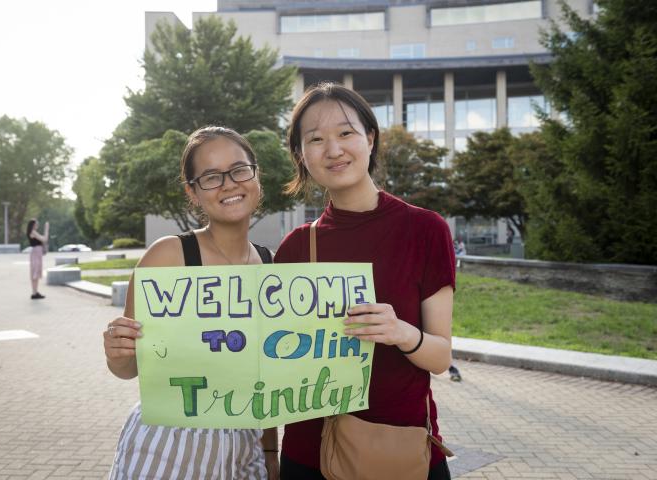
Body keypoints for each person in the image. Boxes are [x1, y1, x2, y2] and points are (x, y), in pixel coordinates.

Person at [275, 83, 455, 480]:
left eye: (345, 133)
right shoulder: (295, 247)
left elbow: (441, 358)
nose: (333, 150)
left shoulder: (425, 230)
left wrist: (401, 332)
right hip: (308, 454)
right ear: (302, 155)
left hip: (398, 449)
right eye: (316, 139)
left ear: (370, 138)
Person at [103, 126, 278, 480]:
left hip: (247, 445)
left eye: (239, 169)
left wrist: (270, 449)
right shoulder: (168, 256)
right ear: (193, 192)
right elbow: (128, 369)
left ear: (256, 177)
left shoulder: (270, 264)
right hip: (171, 441)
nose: (229, 184)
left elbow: (268, 379)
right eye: (211, 177)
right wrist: (116, 352)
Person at [26, 218, 49, 299]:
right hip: (36, 252)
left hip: (36, 252)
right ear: (32, 225)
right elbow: (45, 239)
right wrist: (46, 229)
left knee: (34, 273)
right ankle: (34, 293)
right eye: (36, 224)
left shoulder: (33, 232)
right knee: (35, 273)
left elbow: (43, 240)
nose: (37, 226)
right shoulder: (33, 232)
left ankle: (35, 292)